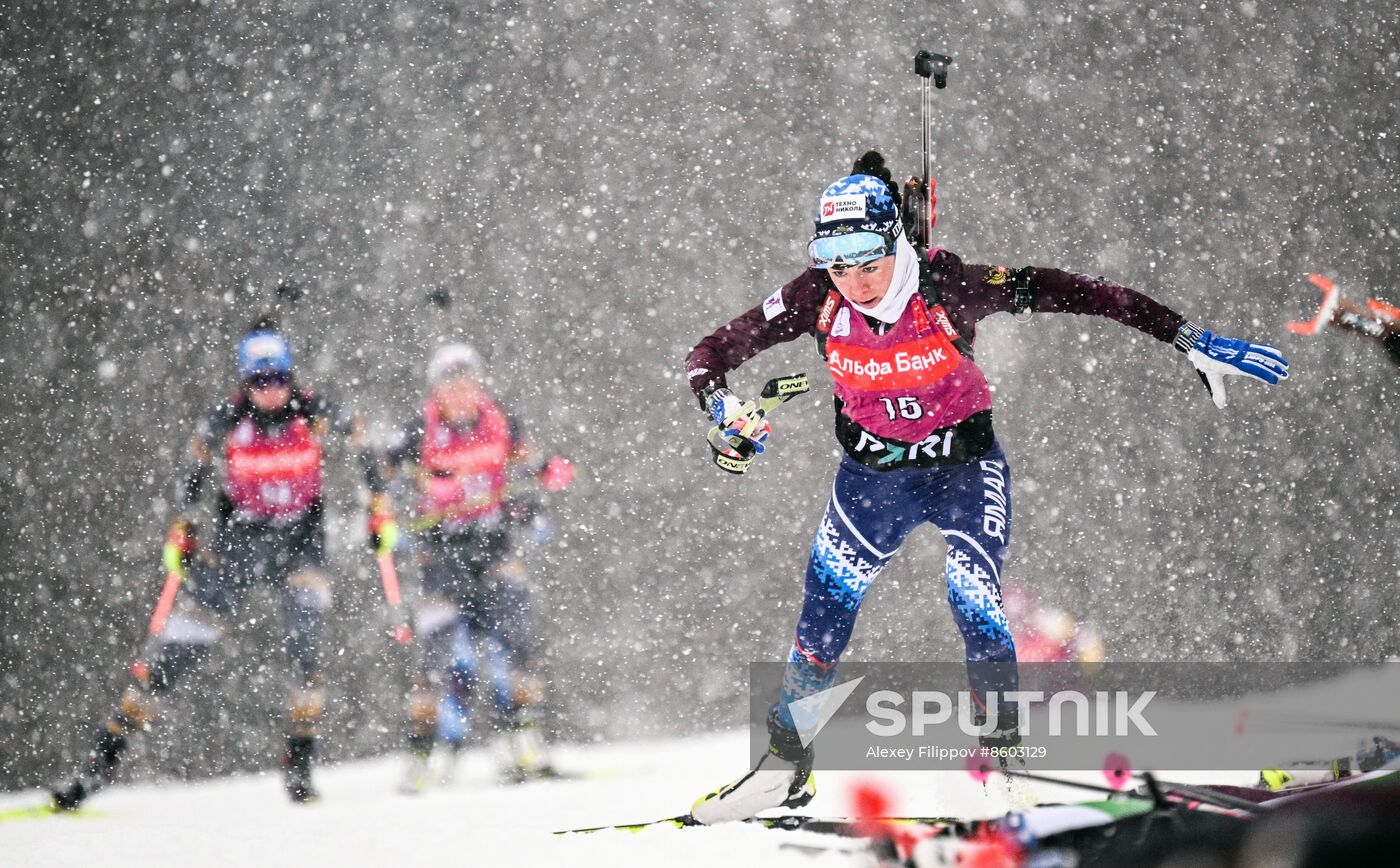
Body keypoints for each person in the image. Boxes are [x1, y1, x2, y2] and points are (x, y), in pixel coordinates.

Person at [682, 151, 1289, 824]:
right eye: (834, 259)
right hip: (871, 483)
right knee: (823, 617)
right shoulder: (813, 296)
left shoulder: (947, 285)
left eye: (866, 258)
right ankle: (783, 768)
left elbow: (1085, 293)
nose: (851, 278)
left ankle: (1001, 764)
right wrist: (721, 409)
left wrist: (1185, 337)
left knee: (974, 598)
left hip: (964, 475)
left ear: (896, 241)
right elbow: (708, 353)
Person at [50, 316, 388, 808]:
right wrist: (182, 527)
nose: (270, 391)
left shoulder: (314, 410)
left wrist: (378, 505)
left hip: (300, 544)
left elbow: (364, 445)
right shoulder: (225, 419)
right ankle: (101, 762)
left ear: (290, 376)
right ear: (245, 381)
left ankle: (299, 761)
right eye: (259, 381)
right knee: (171, 657)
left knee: (306, 648)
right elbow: (192, 472)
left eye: (278, 379)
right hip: (237, 546)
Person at [376, 342, 570, 792]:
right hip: (440, 554)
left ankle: (525, 741)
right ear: (437, 389)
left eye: (467, 383)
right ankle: (421, 755)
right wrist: (397, 510)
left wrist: (542, 487)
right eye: (450, 384)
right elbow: (382, 477)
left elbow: (531, 468)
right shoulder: (418, 429)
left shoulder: (501, 421)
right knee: (436, 659)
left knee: (519, 641)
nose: (460, 392)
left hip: (494, 548)